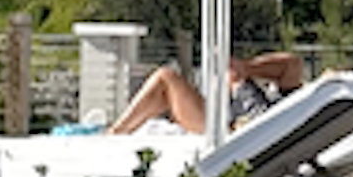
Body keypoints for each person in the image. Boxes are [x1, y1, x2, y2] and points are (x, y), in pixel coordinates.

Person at [108, 47, 306, 140]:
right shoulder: (295, 104)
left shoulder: (288, 114)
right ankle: (119, 131)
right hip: (230, 117)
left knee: (165, 78)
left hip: (232, 130)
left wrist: (238, 82)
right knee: (164, 90)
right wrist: (245, 69)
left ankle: (115, 133)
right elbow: (292, 63)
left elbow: (255, 122)